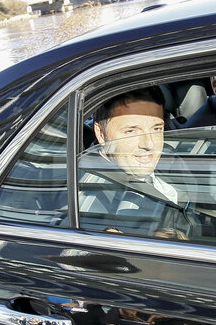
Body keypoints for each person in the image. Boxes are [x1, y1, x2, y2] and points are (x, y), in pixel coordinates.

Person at [79, 87, 195, 236]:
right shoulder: (93, 201)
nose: (149, 144)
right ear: (101, 134)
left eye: (156, 129)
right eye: (131, 131)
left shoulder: (171, 160)